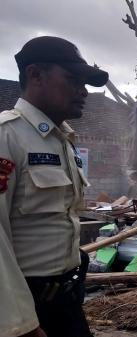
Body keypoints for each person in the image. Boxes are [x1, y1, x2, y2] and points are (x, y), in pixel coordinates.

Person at [0, 36, 108, 337]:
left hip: (66, 301)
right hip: (26, 307)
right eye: (73, 80)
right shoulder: (7, 137)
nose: (83, 92)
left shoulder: (62, 141)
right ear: (35, 75)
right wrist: (20, 325)